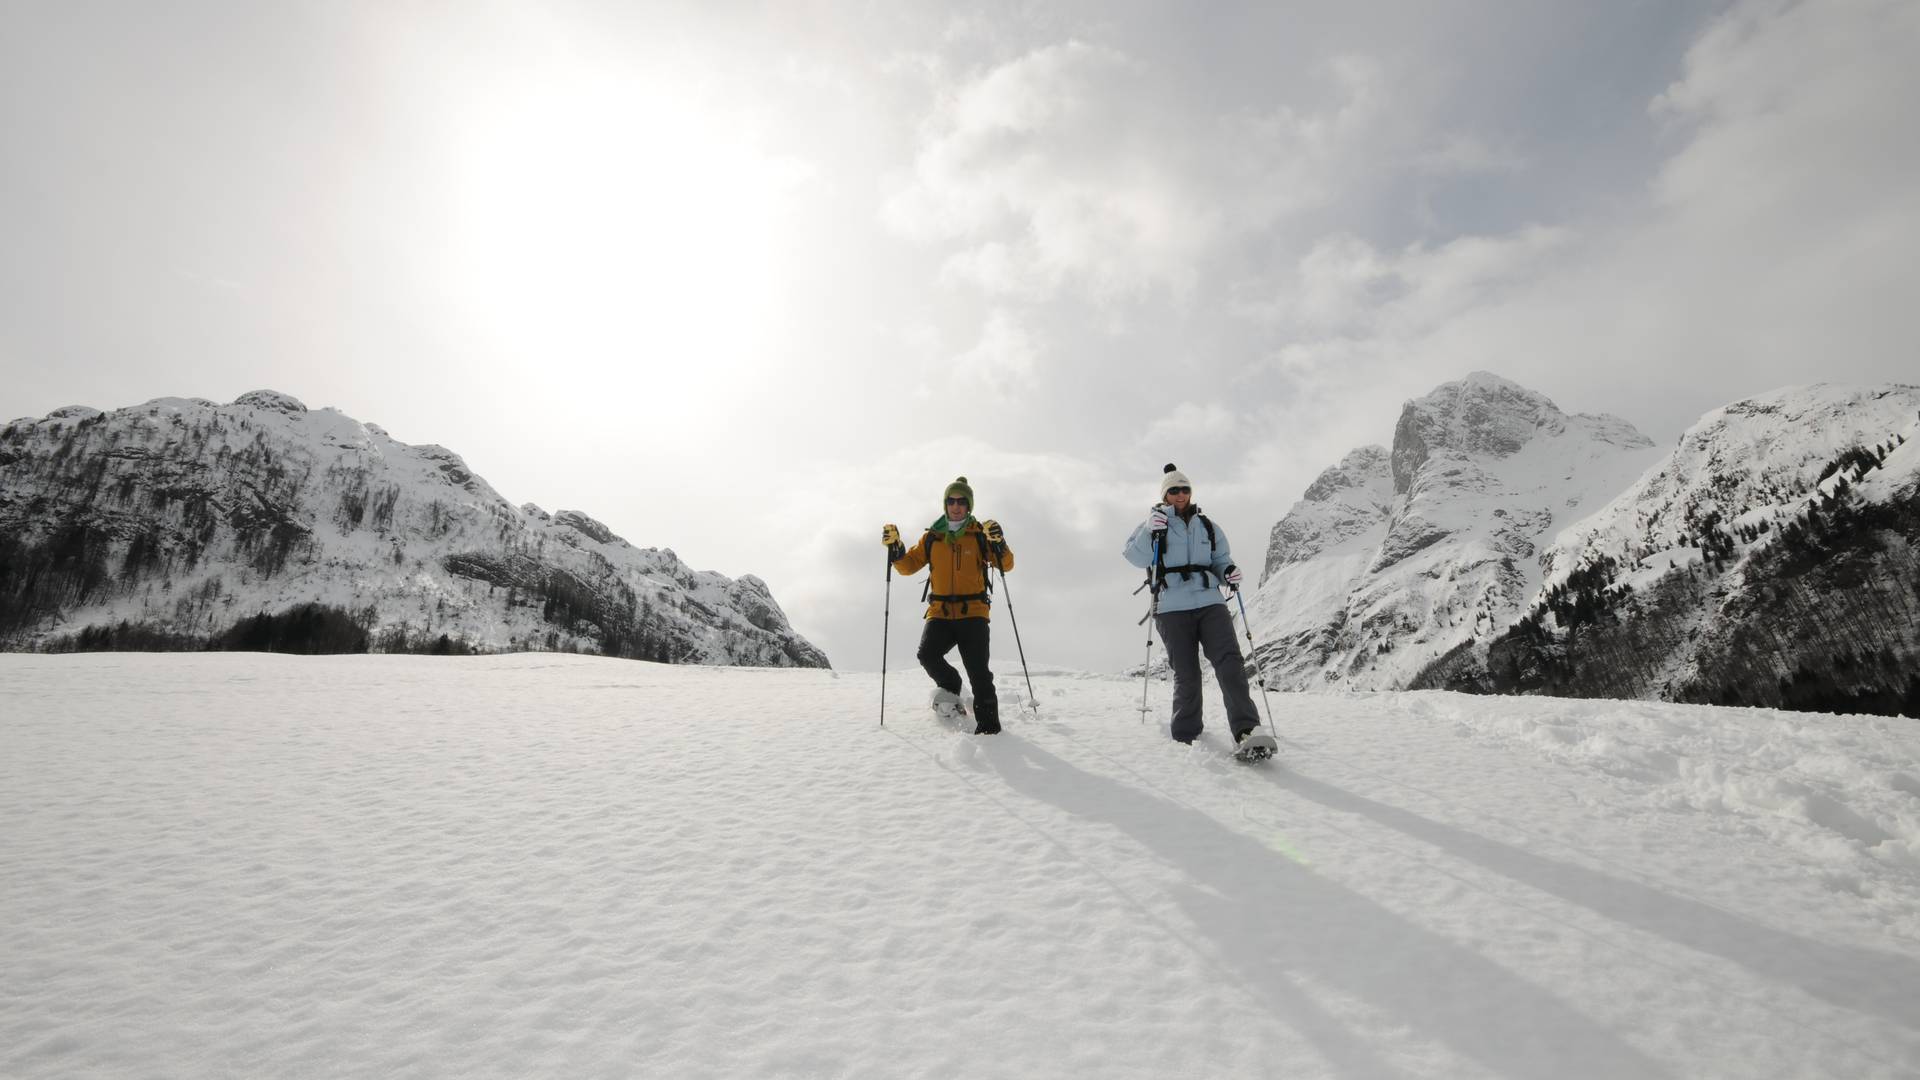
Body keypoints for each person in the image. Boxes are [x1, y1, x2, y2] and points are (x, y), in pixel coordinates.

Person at [1123, 463, 1270, 753]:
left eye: (1185, 489)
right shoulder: (1153, 525)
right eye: (1174, 490)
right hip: (1171, 606)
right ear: (1165, 495)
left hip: (1210, 601)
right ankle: (1185, 736)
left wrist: (1228, 571)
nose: (1180, 494)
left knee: (1230, 663)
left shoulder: (1207, 526)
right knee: (1187, 672)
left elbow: (1220, 558)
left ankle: (1247, 730)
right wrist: (1147, 530)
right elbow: (1135, 558)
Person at [883, 476, 1013, 734]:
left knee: (979, 674)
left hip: (973, 613)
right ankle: (952, 686)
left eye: (961, 501)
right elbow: (908, 566)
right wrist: (896, 549)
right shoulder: (933, 537)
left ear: (969, 506)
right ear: (945, 504)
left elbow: (1005, 564)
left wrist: (999, 542)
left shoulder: (979, 535)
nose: (956, 506)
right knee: (927, 654)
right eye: (951, 501)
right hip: (940, 612)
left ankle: (990, 731)